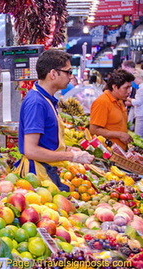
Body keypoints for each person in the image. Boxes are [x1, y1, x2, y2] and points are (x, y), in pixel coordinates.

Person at [15, 49, 94, 191]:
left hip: (47, 171)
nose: (71, 77)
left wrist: (67, 149)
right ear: (53, 74)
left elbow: (45, 142)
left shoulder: (46, 99)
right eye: (68, 72)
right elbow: (31, 150)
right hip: (38, 178)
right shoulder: (36, 102)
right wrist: (71, 156)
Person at [89, 69, 135, 151]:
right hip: (109, 152)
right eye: (126, 88)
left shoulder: (119, 101)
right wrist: (119, 135)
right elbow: (93, 130)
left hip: (120, 152)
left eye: (130, 88)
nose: (129, 92)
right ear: (114, 87)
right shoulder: (102, 102)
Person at [126, 69, 143, 140]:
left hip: (140, 114)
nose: (134, 82)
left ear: (139, 78)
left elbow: (138, 102)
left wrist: (128, 98)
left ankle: (139, 150)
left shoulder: (141, 88)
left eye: (134, 79)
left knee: (138, 136)